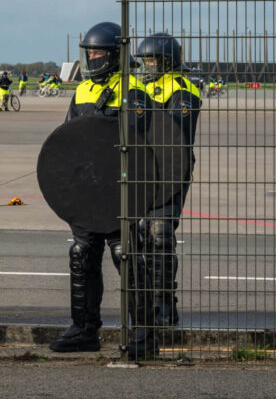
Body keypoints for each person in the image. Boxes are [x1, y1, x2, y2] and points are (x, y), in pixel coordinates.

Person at [49, 21, 156, 360]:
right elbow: (67, 139)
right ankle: (84, 329)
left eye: (97, 52)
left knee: (126, 255)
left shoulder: (134, 91)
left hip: (120, 191)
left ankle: (142, 333)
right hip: (86, 191)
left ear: (114, 56)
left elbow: (139, 145)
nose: (92, 57)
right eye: (89, 52)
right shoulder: (82, 92)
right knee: (81, 255)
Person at [134, 33, 201, 328]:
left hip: (170, 170)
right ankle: (144, 304)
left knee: (159, 234)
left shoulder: (183, 89)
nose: (148, 65)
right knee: (140, 237)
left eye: (154, 60)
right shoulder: (140, 86)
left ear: (168, 61)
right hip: (141, 169)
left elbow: (174, 134)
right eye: (145, 60)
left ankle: (164, 306)